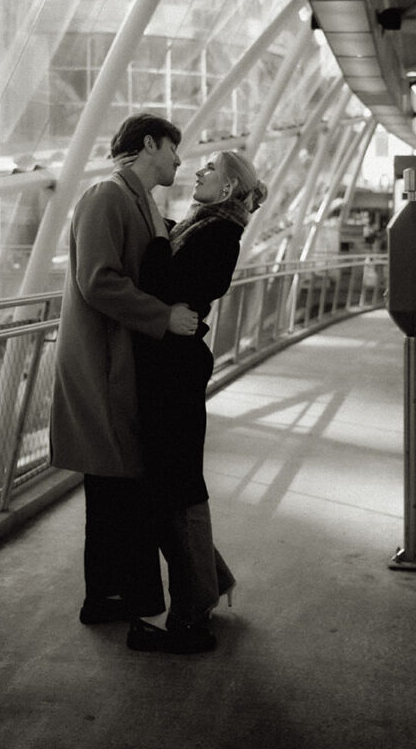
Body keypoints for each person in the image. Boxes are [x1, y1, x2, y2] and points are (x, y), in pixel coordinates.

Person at [49, 113, 199, 629]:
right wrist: (165, 318)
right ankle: (105, 599)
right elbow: (98, 281)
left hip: (120, 365)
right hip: (102, 367)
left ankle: (121, 596)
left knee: (121, 487)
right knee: (111, 486)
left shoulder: (139, 204)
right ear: (148, 144)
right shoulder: (105, 198)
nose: (180, 160)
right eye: (173, 149)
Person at [128, 150, 268, 654]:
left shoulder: (218, 234)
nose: (199, 172)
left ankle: (191, 620)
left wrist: (154, 242)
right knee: (174, 481)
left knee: (177, 484)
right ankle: (210, 586)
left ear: (228, 189)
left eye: (211, 169)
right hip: (174, 367)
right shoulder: (201, 226)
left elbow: (167, 282)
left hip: (176, 371)